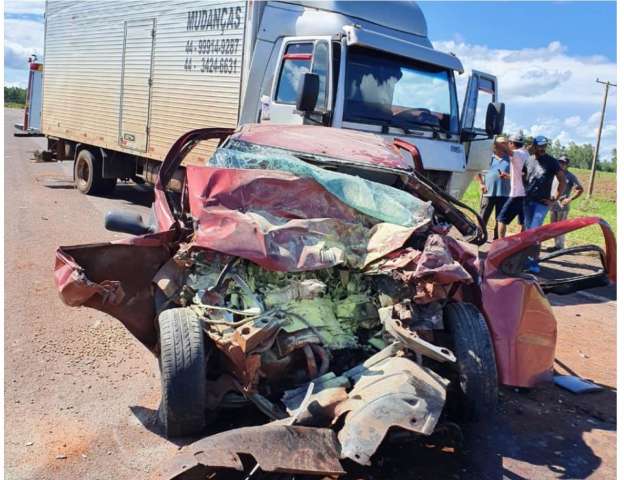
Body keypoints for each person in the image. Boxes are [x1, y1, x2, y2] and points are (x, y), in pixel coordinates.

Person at [524, 135, 567, 230]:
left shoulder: (552, 162)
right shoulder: (529, 160)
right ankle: (532, 245)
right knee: (528, 227)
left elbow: (562, 181)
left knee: (535, 227)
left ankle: (534, 244)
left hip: (542, 202)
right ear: (534, 146)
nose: (543, 149)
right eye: (540, 146)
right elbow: (524, 176)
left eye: (544, 146)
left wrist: (554, 199)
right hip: (528, 200)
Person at [476, 136, 510, 240]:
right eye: (500, 143)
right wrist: (481, 184)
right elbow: (477, 171)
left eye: (505, 143)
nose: (502, 145)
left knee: (500, 219)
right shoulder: (488, 157)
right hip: (488, 192)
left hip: (504, 194)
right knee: (483, 216)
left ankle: (497, 240)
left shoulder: (510, 159)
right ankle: (478, 236)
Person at [497, 131, 528, 238]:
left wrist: (494, 139)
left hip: (517, 194)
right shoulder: (527, 154)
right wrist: (509, 176)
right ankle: (521, 244)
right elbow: (523, 174)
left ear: (511, 143)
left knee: (502, 219)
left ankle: (501, 242)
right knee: (524, 222)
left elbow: (505, 149)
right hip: (526, 194)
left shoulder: (517, 154)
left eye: (509, 143)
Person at [548, 155, 584, 249]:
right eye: (559, 162)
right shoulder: (554, 174)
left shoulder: (570, 176)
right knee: (553, 226)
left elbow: (579, 189)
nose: (561, 164)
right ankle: (556, 246)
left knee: (561, 227)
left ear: (567, 165)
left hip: (562, 206)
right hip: (552, 204)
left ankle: (560, 246)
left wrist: (570, 199)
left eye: (563, 163)